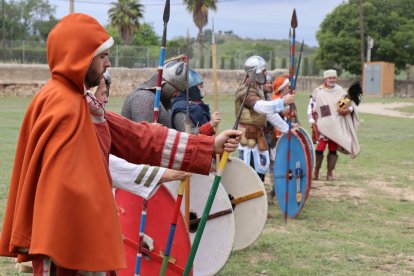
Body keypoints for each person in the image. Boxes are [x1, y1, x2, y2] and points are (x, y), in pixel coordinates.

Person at [0, 13, 241, 275]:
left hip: (83, 237)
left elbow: (137, 136)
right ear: (81, 56)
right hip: (68, 241)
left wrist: (208, 145)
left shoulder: (78, 102)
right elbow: (65, 188)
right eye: (101, 56)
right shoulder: (62, 106)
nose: (108, 63)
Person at [93, 72, 189, 198]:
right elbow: (142, 145)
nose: (106, 99)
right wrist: (165, 174)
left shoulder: (154, 99)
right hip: (133, 185)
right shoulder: (143, 99)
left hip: (138, 179)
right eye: (103, 93)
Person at [235, 55, 294, 181]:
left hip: (258, 136)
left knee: (259, 174)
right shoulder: (245, 90)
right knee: (249, 174)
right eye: (263, 71)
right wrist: (282, 102)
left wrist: (287, 129)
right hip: (247, 137)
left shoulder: (258, 89)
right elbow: (260, 107)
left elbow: (269, 114)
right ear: (254, 72)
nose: (265, 73)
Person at [308, 69, 360, 181]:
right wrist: (311, 119)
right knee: (320, 148)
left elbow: (346, 105)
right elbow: (312, 105)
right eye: (329, 78)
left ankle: (330, 173)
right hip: (323, 122)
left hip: (336, 123)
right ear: (325, 79)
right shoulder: (319, 91)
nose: (332, 80)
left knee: (332, 148)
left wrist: (348, 109)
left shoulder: (340, 91)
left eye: (333, 78)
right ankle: (316, 171)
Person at [121, 55, 188, 126]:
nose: (178, 94)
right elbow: (145, 135)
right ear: (164, 83)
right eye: (176, 89)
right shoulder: (144, 98)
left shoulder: (156, 99)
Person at [171, 68, 220, 135]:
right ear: (191, 87)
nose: (203, 86)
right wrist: (210, 125)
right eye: (200, 84)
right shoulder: (181, 109)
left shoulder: (197, 104)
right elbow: (187, 137)